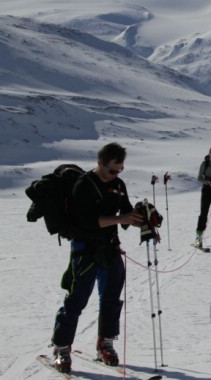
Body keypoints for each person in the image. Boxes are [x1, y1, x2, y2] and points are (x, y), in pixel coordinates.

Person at [50, 142, 144, 373]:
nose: (116, 175)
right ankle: (61, 347)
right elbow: (88, 222)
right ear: (100, 163)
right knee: (77, 299)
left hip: (110, 247)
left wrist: (141, 217)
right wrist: (120, 219)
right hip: (86, 248)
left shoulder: (118, 185)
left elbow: (125, 211)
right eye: (112, 170)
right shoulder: (84, 185)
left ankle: (106, 342)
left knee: (112, 297)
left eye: (120, 170)